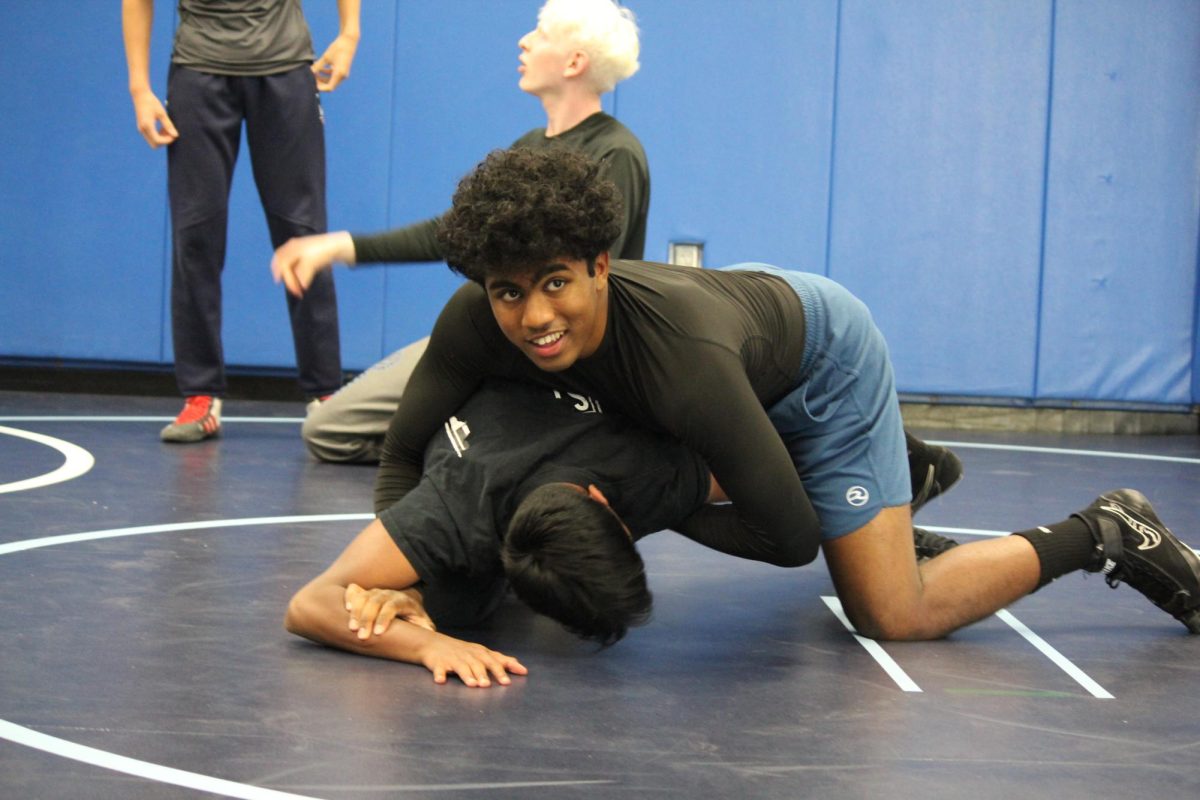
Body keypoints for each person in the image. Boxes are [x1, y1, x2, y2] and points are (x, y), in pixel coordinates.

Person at [369, 145, 1200, 646]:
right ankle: (894, 484)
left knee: (891, 612)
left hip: (816, 361)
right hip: (736, 340)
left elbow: (792, 539)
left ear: (600, 265)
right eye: (509, 293)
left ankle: (1104, 531)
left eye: (556, 284)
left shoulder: (681, 367)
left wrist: (666, 503)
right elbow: (404, 452)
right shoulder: (478, 321)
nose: (535, 318)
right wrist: (399, 574)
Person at [284, 376, 957, 686]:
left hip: (547, 371)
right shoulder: (454, 511)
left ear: (605, 502)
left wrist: (875, 509)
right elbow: (310, 604)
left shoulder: (648, 463)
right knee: (328, 431)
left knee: (773, 466)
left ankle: (909, 469)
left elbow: (768, 475)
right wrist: (423, 644)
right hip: (461, 380)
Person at [270, 0, 648, 465]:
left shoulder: (616, 152)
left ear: (574, 62)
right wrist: (341, 245)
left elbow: (592, 281)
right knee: (329, 429)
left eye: (541, 34)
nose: (524, 42)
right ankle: (462, 448)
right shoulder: (527, 149)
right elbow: (452, 231)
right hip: (490, 335)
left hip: (551, 352)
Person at [122, 0, 360, 442]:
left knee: (303, 233)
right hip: (198, 72)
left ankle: (327, 396)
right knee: (195, 236)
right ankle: (201, 394)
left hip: (286, 71)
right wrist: (140, 88)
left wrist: (349, 34)